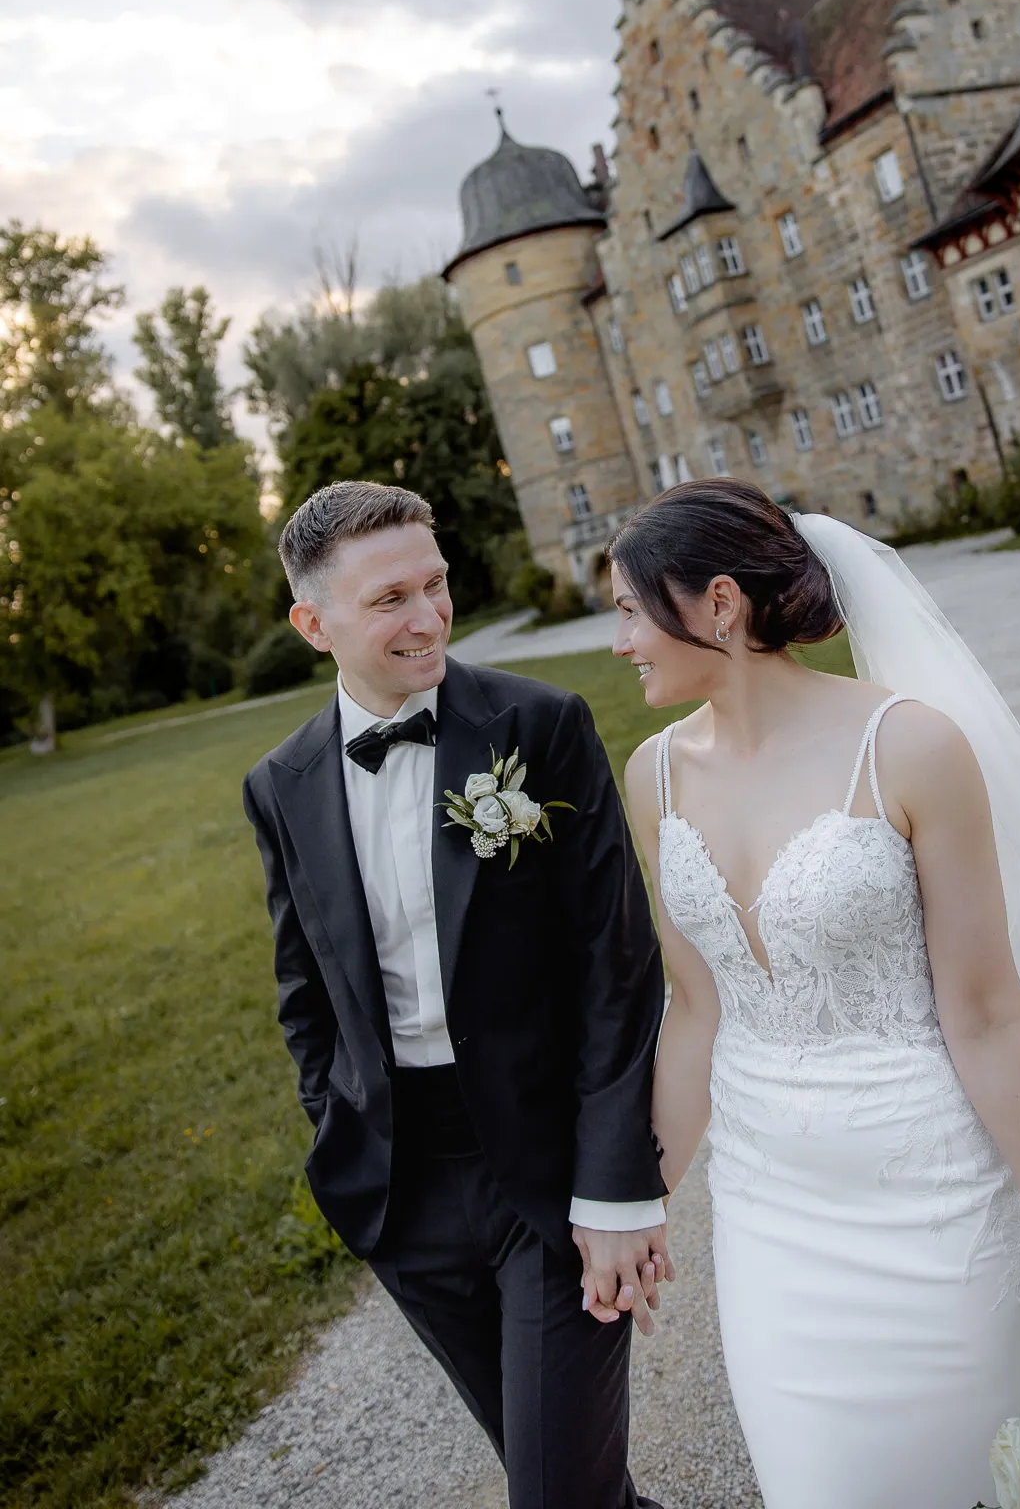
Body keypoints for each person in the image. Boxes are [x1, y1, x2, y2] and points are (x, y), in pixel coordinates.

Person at [608, 479, 1020, 1509]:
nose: (618, 641)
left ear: (720, 603)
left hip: (940, 1214)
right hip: (770, 1230)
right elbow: (698, 1009)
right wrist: (634, 1198)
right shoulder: (651, 776)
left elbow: (990, 1015)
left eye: (626, 608)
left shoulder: (910, 747)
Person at [242, 480, 669, 1509]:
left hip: (546, 1167)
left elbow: (617, 967)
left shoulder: (542, 724)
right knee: (559, 1473)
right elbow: (306, 988)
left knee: (556, 1491)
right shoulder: (280, 783)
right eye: (390, 598)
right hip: (402, 1189)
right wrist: (338, 1130)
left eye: (434, 585)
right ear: (315, 623)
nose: (429, 616)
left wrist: (616, 1187)